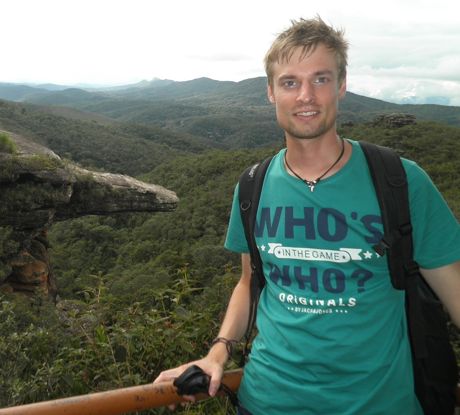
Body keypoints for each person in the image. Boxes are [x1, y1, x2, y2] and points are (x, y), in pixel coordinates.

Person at [154, 16, 460, 414]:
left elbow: (454, 290)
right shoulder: (252, 186)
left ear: (342, 85)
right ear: (270, 92)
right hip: (267, 401)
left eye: (320, 79)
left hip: (380, 404)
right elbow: (249, 283)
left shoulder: (401, 181)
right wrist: (217, 353)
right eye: (290, 82)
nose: (306, 96)